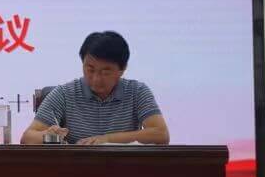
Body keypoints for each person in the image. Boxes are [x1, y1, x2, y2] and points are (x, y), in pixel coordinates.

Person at [20, 31, 170, 145]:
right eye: (90, 69)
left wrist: (106, 140)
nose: (96, 79)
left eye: (105, 72)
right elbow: (27, 138)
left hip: (123, 170)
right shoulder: (64, 94)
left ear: (122, 69)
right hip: (75, 170)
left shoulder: (137, 91)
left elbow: (161, 135)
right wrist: (48, 136)